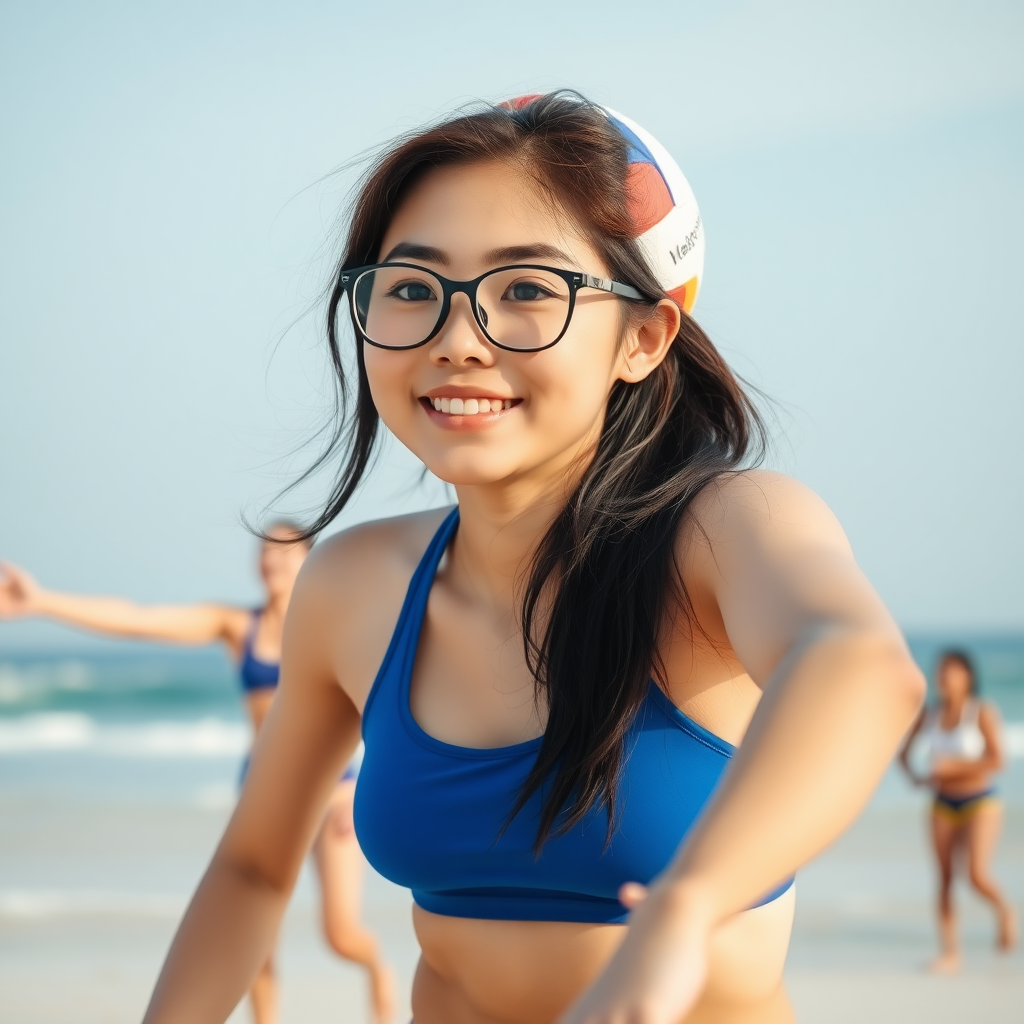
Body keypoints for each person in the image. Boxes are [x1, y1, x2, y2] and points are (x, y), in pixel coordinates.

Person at [139, 92, 925, 1024]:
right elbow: (253, 867)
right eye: (411, 289)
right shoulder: (355, 585)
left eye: (526, 291)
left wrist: (683, 908)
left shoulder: (726, 529)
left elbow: (863, 668)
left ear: (643, 337)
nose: (457, 340)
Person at [0, 523, 396, 1024]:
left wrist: (360, 796)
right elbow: (138, 619)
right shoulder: (237, 626)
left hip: (335, 793)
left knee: (340, 935)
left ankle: (378, 969)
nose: (270, 560)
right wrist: (41, 602)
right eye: (264, 550)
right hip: (263, 791)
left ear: (309, 560)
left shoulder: (331, 624)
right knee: (253, 938)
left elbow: (381, 707)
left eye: (284, 551)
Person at [899, 649, 1017, 972]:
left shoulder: (981, 712)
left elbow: (997, 761)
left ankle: (1005, 911)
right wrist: (918, 778)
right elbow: (903, 754)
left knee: (976, 874)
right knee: (945, 879)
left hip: (980, 801)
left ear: (967, 677)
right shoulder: (930, 715)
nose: (943, 678)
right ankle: (950, 953)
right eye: (939, 672)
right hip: (941, 804)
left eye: (949, 672)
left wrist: (952, 767)